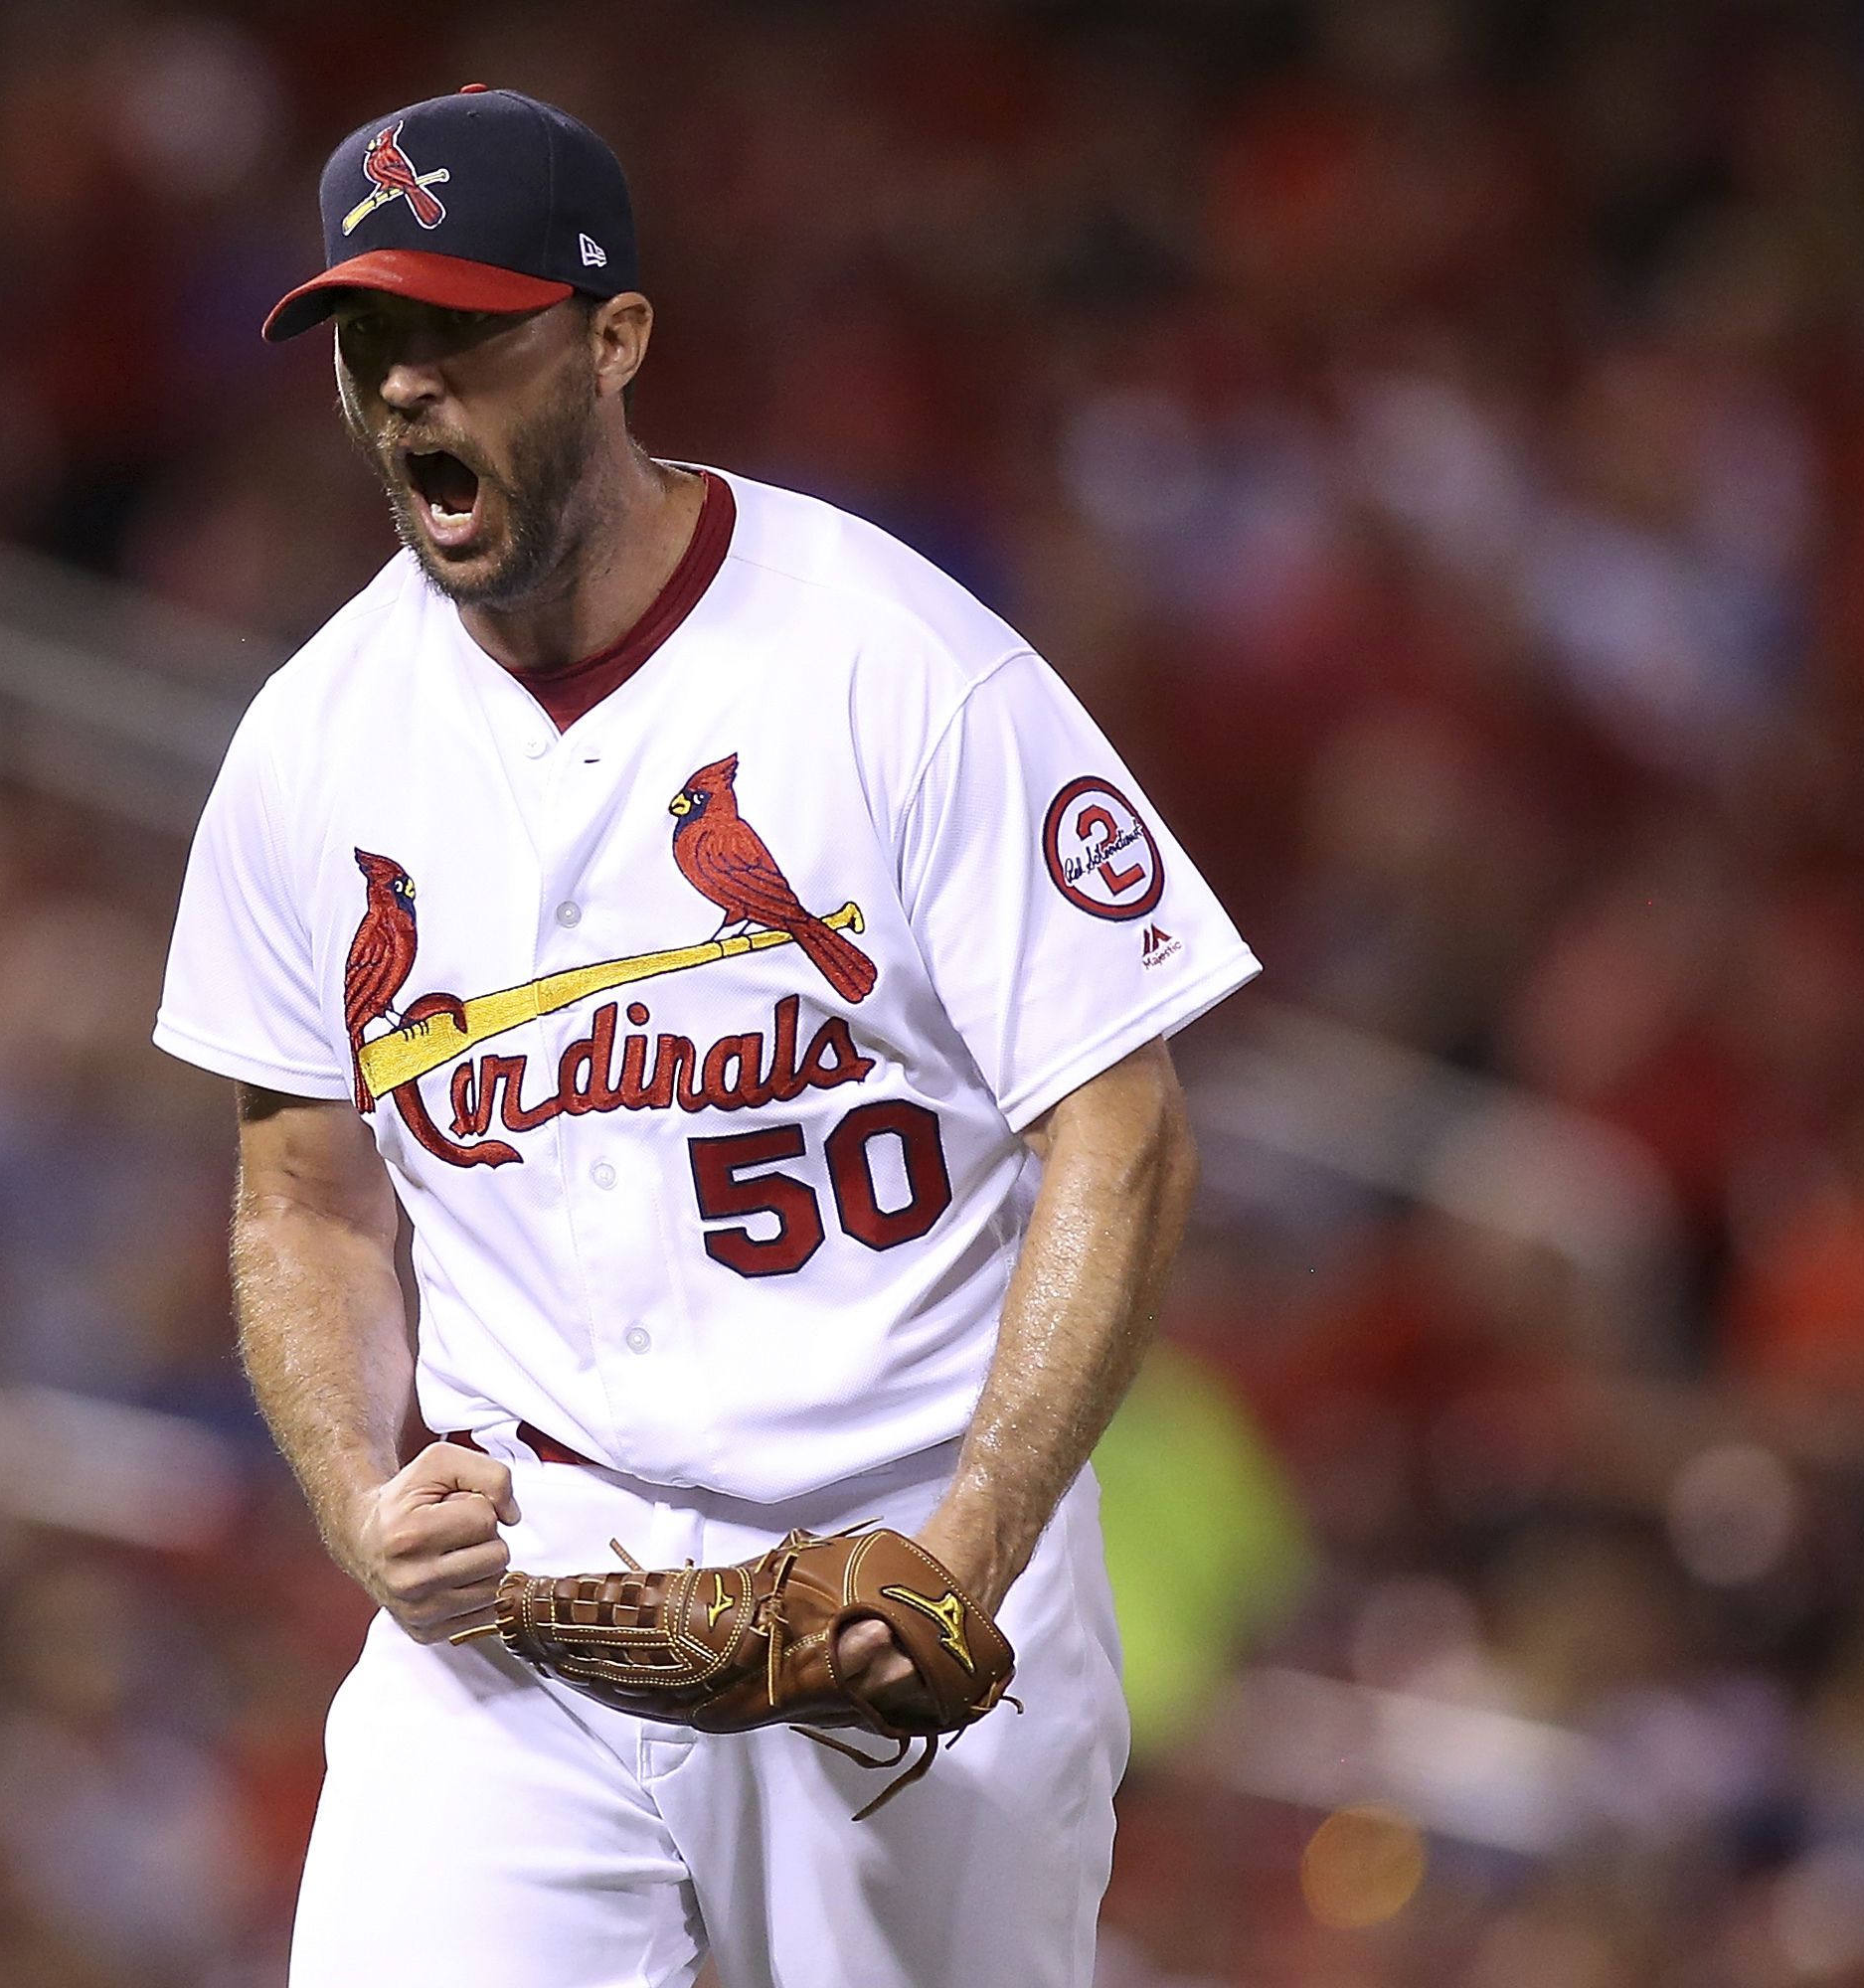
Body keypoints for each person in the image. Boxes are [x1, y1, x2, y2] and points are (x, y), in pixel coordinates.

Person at [153, 84, 1258, 1988]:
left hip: (890, 1563)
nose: (409, 389)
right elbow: (302, 1187)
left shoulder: (896, 673)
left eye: (463, 333)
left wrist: (975, 1539)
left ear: (614, 340)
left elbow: (1123, 1130)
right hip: (529, 1594)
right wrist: (357, 1498)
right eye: (372, 341)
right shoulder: (311, 747)